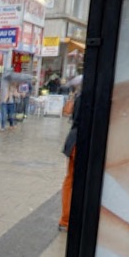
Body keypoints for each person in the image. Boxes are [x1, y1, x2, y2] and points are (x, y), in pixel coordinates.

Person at [59, 84, 81, 231]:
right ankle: (66, 219)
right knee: (71, 180)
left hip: (74, 141)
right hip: (79, 142)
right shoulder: (87, 97)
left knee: (70, 180)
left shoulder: (80, 95)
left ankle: (65, 219)